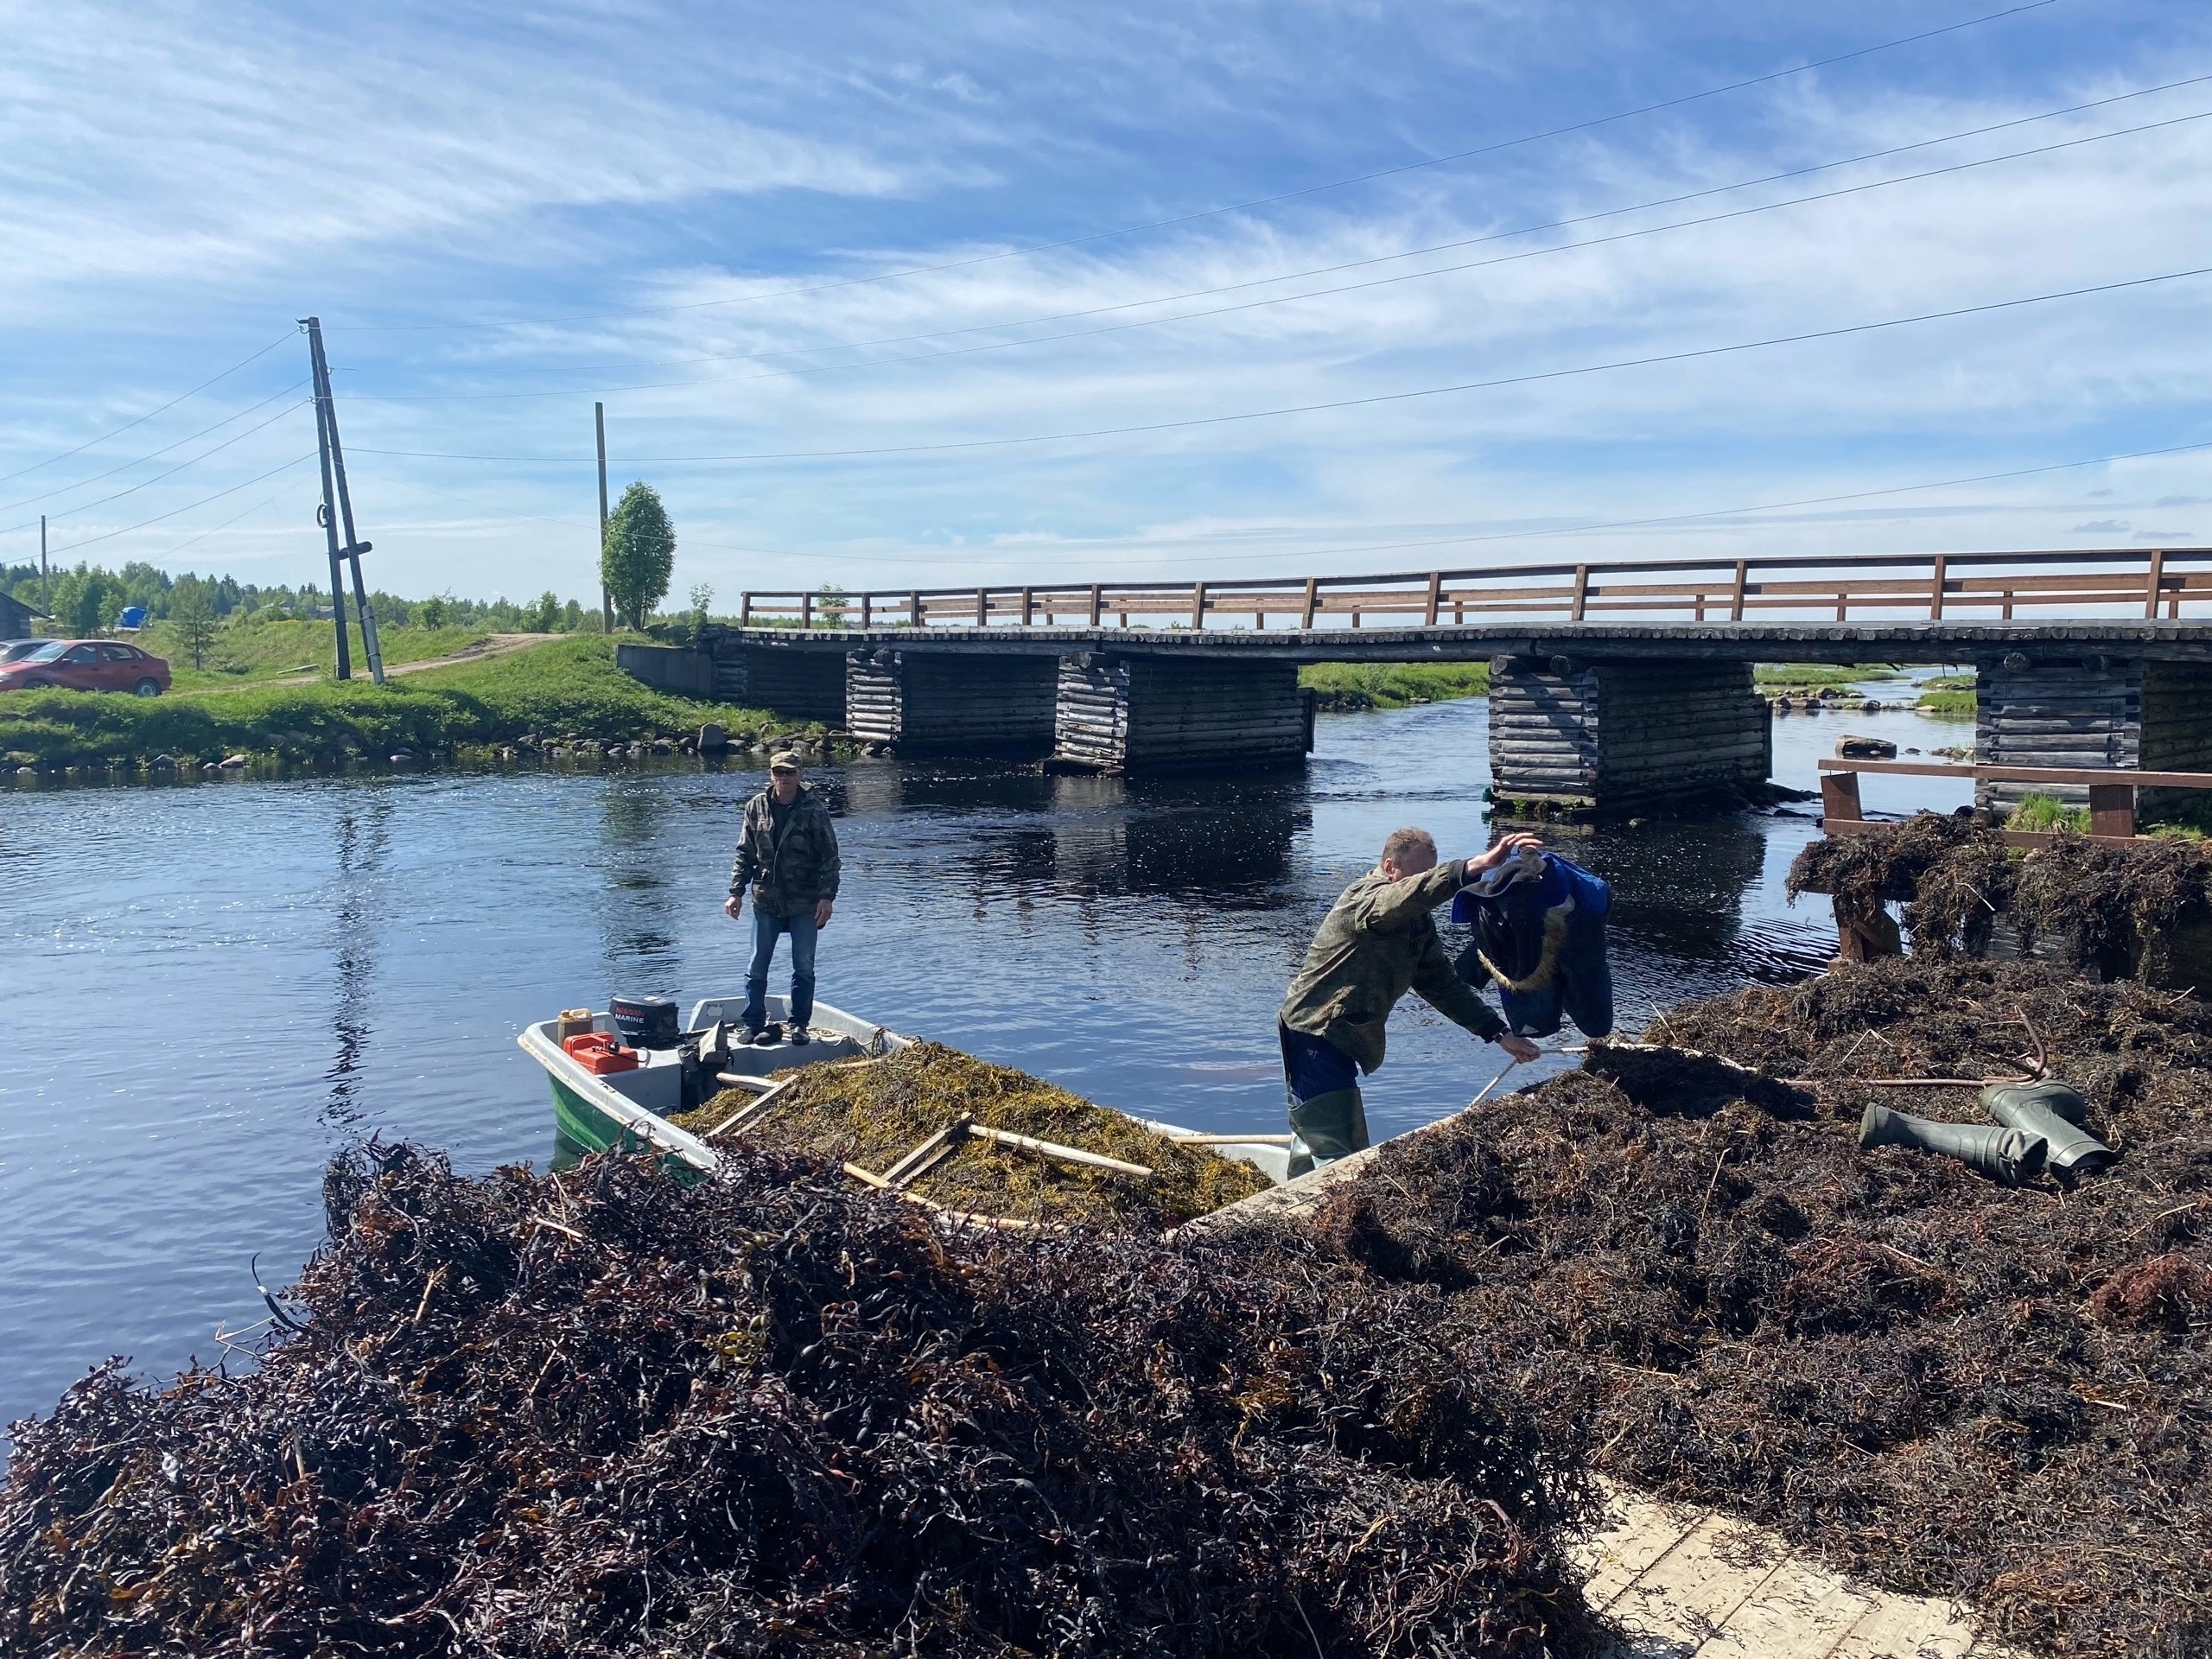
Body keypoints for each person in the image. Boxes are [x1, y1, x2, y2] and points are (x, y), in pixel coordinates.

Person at [1278, 827, 1545, 1175]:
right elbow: (1402, 897)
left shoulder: (1417, 924)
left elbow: (1442, 985)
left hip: (1342, 1035)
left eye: (1429, 873)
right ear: (1390, 868)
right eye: (1419, 875)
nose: (1424, 885)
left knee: (1313, 1138)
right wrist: (1475, 866)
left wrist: (1499, 1033)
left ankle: (1292, 1194)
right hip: (1315, 1031)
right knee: (1339, 1154)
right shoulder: (1365, 899)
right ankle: (1321, 1203)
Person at [724, 751, 841, 1042]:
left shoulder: (814, 810)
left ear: (800, 774)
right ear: (771, 774)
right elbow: (745, 854)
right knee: (756, 964)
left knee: (804, 965)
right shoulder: (756, 806)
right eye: (779, 772)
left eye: (790, 772)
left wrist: (827, 898)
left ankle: (799, 1024)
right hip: (766, 899)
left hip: (805, 901)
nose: (784, 777)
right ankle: (753, 1023)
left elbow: (830, 858)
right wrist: (736, 893)